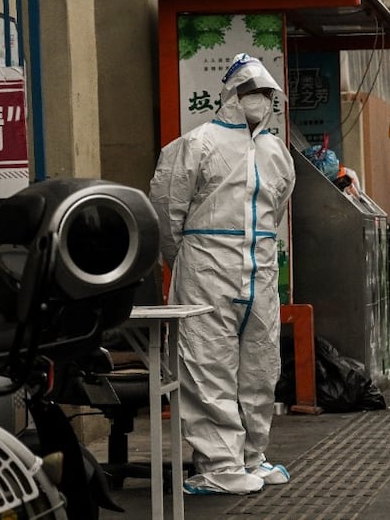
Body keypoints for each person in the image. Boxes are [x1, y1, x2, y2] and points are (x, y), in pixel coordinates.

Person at [150, 53, 296, 495]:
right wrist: (186, 258)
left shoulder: (275, 152)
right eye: (253, 92)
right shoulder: (196, 144)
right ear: (232, 95)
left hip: (260, 270)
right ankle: (219, 465)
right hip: (207, 266)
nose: (261, 101)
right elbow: (165, 210)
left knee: (259, 367)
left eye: (267, 94)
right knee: (206, 365)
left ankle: (253, 456)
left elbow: (278, 207)